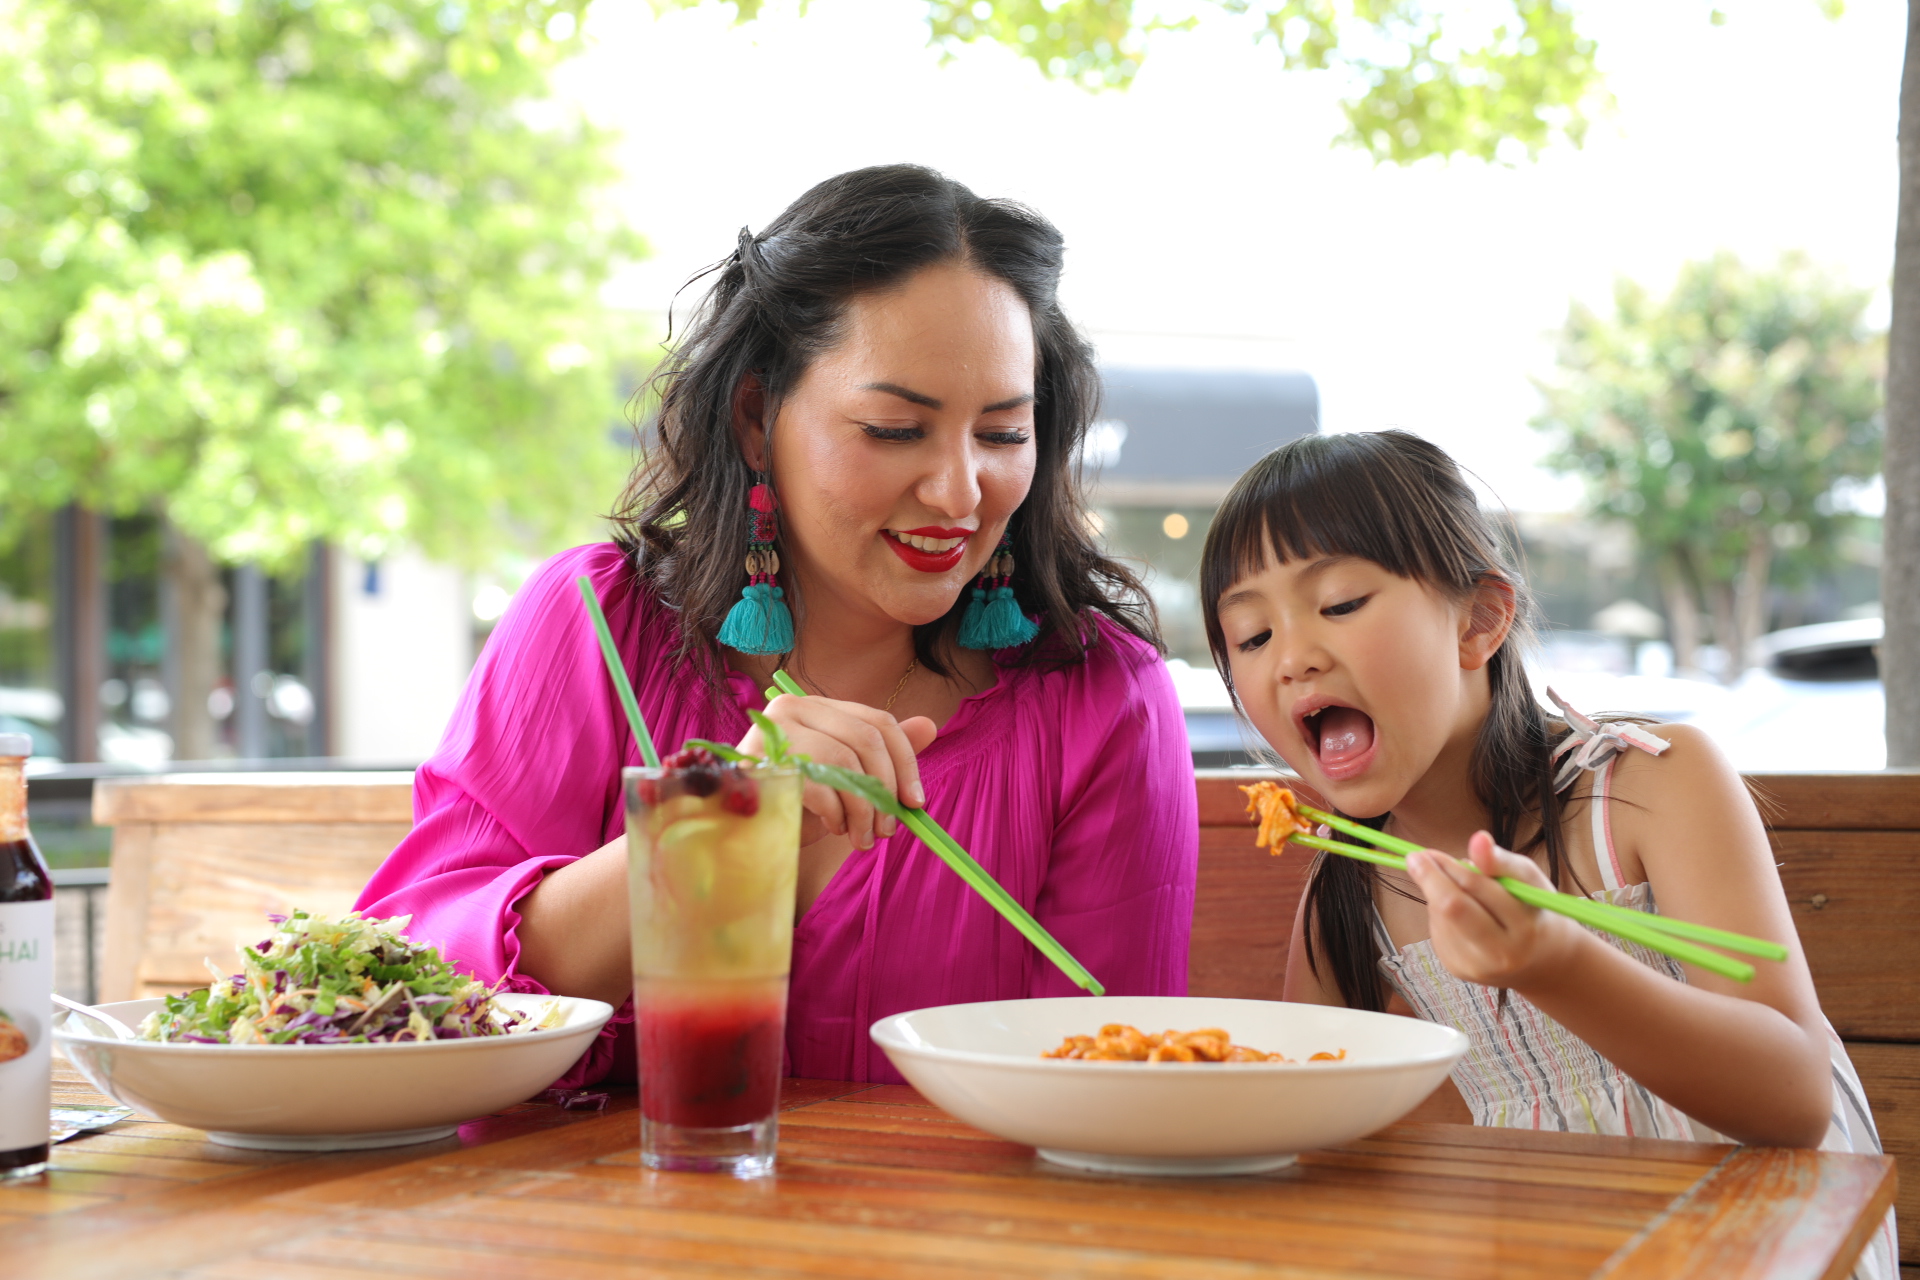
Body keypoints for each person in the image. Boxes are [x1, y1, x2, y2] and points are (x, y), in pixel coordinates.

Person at [356, 164, 1198, 1087]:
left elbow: (1114, 1084)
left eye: (1001, 434)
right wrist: (714, 820)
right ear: (757, 418)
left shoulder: (1102, 698)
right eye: (893, 429)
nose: (961, 492)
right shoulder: (595, 624)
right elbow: (409, 993)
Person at [1199, 430, 1894, 1280]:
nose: (1294, 656)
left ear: (1480, 620)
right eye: (1250, 635)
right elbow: (1354, 1163)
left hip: (1763, 1244)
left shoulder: (1646, 788)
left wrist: (1554, 959)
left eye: (1340, 603)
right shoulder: (1347, 898)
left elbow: (1791, 1100)